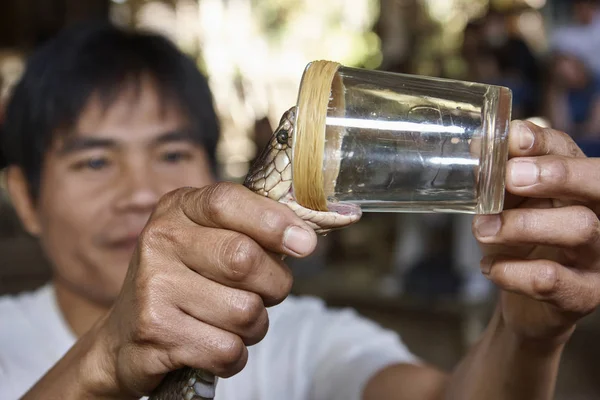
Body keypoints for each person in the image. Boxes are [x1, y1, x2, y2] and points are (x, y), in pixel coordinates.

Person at [2, 21, 600, 400]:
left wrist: (526, 336)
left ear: (211, 173)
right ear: (25, 198)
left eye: (172, 151)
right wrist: (103, 358)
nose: (138, 191)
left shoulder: (301, 337)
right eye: (95, 162)